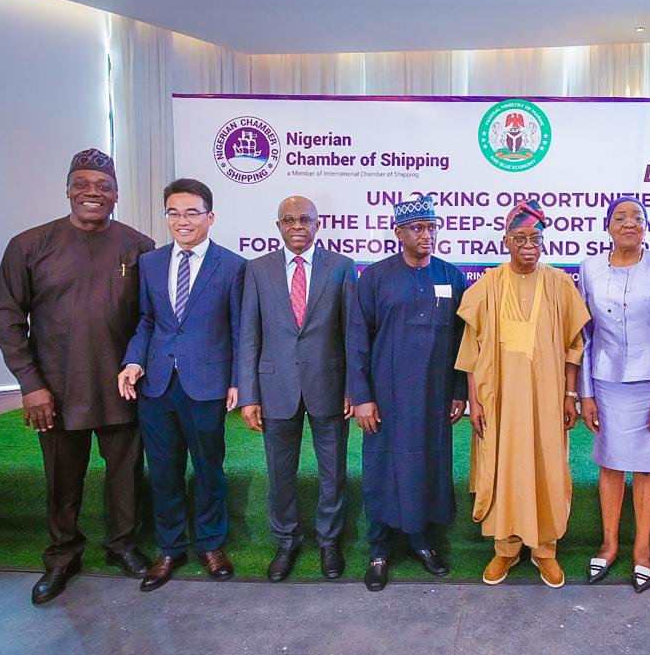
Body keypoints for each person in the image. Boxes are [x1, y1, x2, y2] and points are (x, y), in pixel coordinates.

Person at [0, 148, 155, 604]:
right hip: (56, 391)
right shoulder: (29, 245)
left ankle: (123, 545)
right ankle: (63, 555)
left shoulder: (138, 247)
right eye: (81, 184)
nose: (92, 193)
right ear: (67, 190)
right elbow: (7, 319)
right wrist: (31, 385)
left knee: (126, 477)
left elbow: (150, 319)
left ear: (117, 194)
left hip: (123, 387)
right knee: (62, 479)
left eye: (103, 186)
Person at [118, 178, 245, 591]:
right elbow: (147, 321)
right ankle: (170, 548)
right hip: (156, 386)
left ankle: (211, 545)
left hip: (207, 385)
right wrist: (133, 361)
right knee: (164, 472)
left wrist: (237, 381)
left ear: (210, 217)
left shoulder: (233, 266)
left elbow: (240, 330)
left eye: (192, 212)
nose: (182, 221)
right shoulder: (151, 263)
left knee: (209, 469)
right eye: (173, 212)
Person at [455, 200, 590, 588]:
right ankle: (506, 548)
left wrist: (570, 394)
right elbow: (470, 350)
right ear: (506, 241)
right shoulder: (487, 287)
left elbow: (574, 346)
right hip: (499, 399)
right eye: (520, 238)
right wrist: (475, 402)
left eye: (535, 238)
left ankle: (545, 550)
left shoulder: (559, 284)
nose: (528, 246)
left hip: (547, 398)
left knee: (547, 464)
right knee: (504, 466)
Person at [347, 194, 468, 591]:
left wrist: (458, 391)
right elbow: (357, 339)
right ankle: (379, 549)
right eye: (417, 228)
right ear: (398, 232)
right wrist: (362, 397)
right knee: (383, 467)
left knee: (430, 465)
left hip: (434, 397)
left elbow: (463, 342)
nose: (426, 235)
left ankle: (422, 541)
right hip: (386, 397)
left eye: (432, 227)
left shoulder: (452, 276)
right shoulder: (375, 277)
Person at [237, 196, 356, 582]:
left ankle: (329, 542)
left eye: (305, 219)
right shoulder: (257, 270)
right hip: (275, 387)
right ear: (278, 226)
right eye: (288, 220)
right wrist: (249, 395)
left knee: (332, 472)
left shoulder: (341, 267)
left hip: (330, 385)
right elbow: (249, 335)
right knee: (280, 472)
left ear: (318, 224)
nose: (297, 226)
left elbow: (351, 334)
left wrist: (353, 387)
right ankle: (286, 542)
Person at [578, 195, 650, 593]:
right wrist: (585, 394)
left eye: (637, 218)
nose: (629, 223)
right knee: (610, 463)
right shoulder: (589, 268)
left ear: (646, 226)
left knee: (646, 467)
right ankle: (609, 544)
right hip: (605, 382)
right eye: (620, 217)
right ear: (607, 226)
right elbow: (584, 336)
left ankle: (642, 550)